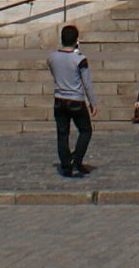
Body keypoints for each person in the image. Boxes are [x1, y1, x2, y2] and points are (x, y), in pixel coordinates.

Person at [48, 24, 96, 178]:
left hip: (59, 99)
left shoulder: (52, 57)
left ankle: (65, 165)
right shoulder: (80, 59)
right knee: (86, 130)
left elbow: (54, 72)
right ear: (76, 40)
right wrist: (92, 102)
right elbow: (86, 83)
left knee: (62, 134)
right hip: (75, 99)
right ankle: (76, 160)